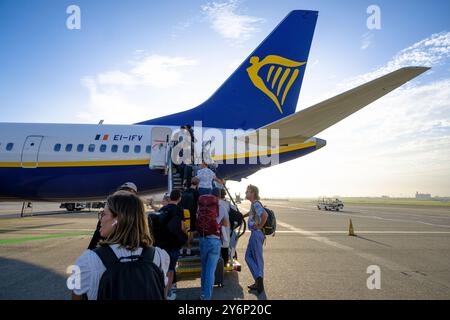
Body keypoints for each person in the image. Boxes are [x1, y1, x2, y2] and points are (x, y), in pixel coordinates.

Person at [71, 191, 170, 300]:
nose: (100, 219)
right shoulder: (160, 256)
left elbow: (76, 296)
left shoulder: (88, 260)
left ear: (117, 220)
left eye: (103, 214)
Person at [197, 188, 229, 300]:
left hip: (203, 238)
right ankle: (207, 296)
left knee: (204, 268)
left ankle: (202, 292)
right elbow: (226, 224)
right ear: (220, 196)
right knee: (210, 270)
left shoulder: (203, 206)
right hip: (214, 241)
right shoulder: (222, 207)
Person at [87, 182, 138, 250]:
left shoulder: (137, 218)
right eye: (122, 191)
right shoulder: (108, 213)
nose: (123, 194)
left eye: (127, 192)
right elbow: (97, 237)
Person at [157, 189, 188, 300]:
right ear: (179, 198)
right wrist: (185, 236)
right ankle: (166, 294)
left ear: (170, 197)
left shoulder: (163, 209)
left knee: (162, 269)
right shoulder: (179, 210)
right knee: (170, 270)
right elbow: (183, 226)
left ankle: (161, 292)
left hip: (162, 245)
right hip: (174, 244)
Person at [243, 184, 268, 295]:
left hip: (257, 234)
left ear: (252, 192)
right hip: (255, 234)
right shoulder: (254, 204)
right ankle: (258, 280)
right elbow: (253, 213)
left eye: (247, 191)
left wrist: (259, 226)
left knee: (257, 259)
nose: (245, 193)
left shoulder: (256, 204)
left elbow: (264, 215)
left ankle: (259, 282)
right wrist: (243, 216)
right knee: (248, 257)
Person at [181, 177, 200, 255]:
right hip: (192, 214)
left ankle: (182, 248)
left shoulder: (184, 191)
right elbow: (198, 204)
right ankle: (188, 248)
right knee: (191, 232)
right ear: (198, 184)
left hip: (184, 214)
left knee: (184, 231)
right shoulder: (196, 193)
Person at [218, 189, 231, 266]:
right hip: (226, 228)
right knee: (225, 246)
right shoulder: (228, 204)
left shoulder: (216, 203)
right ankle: (225, 263)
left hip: (218, 227)